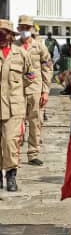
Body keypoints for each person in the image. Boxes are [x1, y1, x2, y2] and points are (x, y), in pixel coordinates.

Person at [0, 19, 35, 191]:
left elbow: (29, 77)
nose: (1, 36)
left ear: (10, 36)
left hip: (14, 107)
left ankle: (11, 174)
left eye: (4, 33)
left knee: (10, 142)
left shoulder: (21, 54)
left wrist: (18, 93)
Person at [16, 15, 52, 166]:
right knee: (16, 123)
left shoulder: (39, 46)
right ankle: (14, 155)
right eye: (22, 28)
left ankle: (33, 153)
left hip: (36, 89)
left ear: (31, 29)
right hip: (17, 90)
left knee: (36, 122)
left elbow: (47, 67)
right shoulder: (14, 46)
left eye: (27, 28)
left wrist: (45, 90)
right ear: (18, 29)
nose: (25, 30)